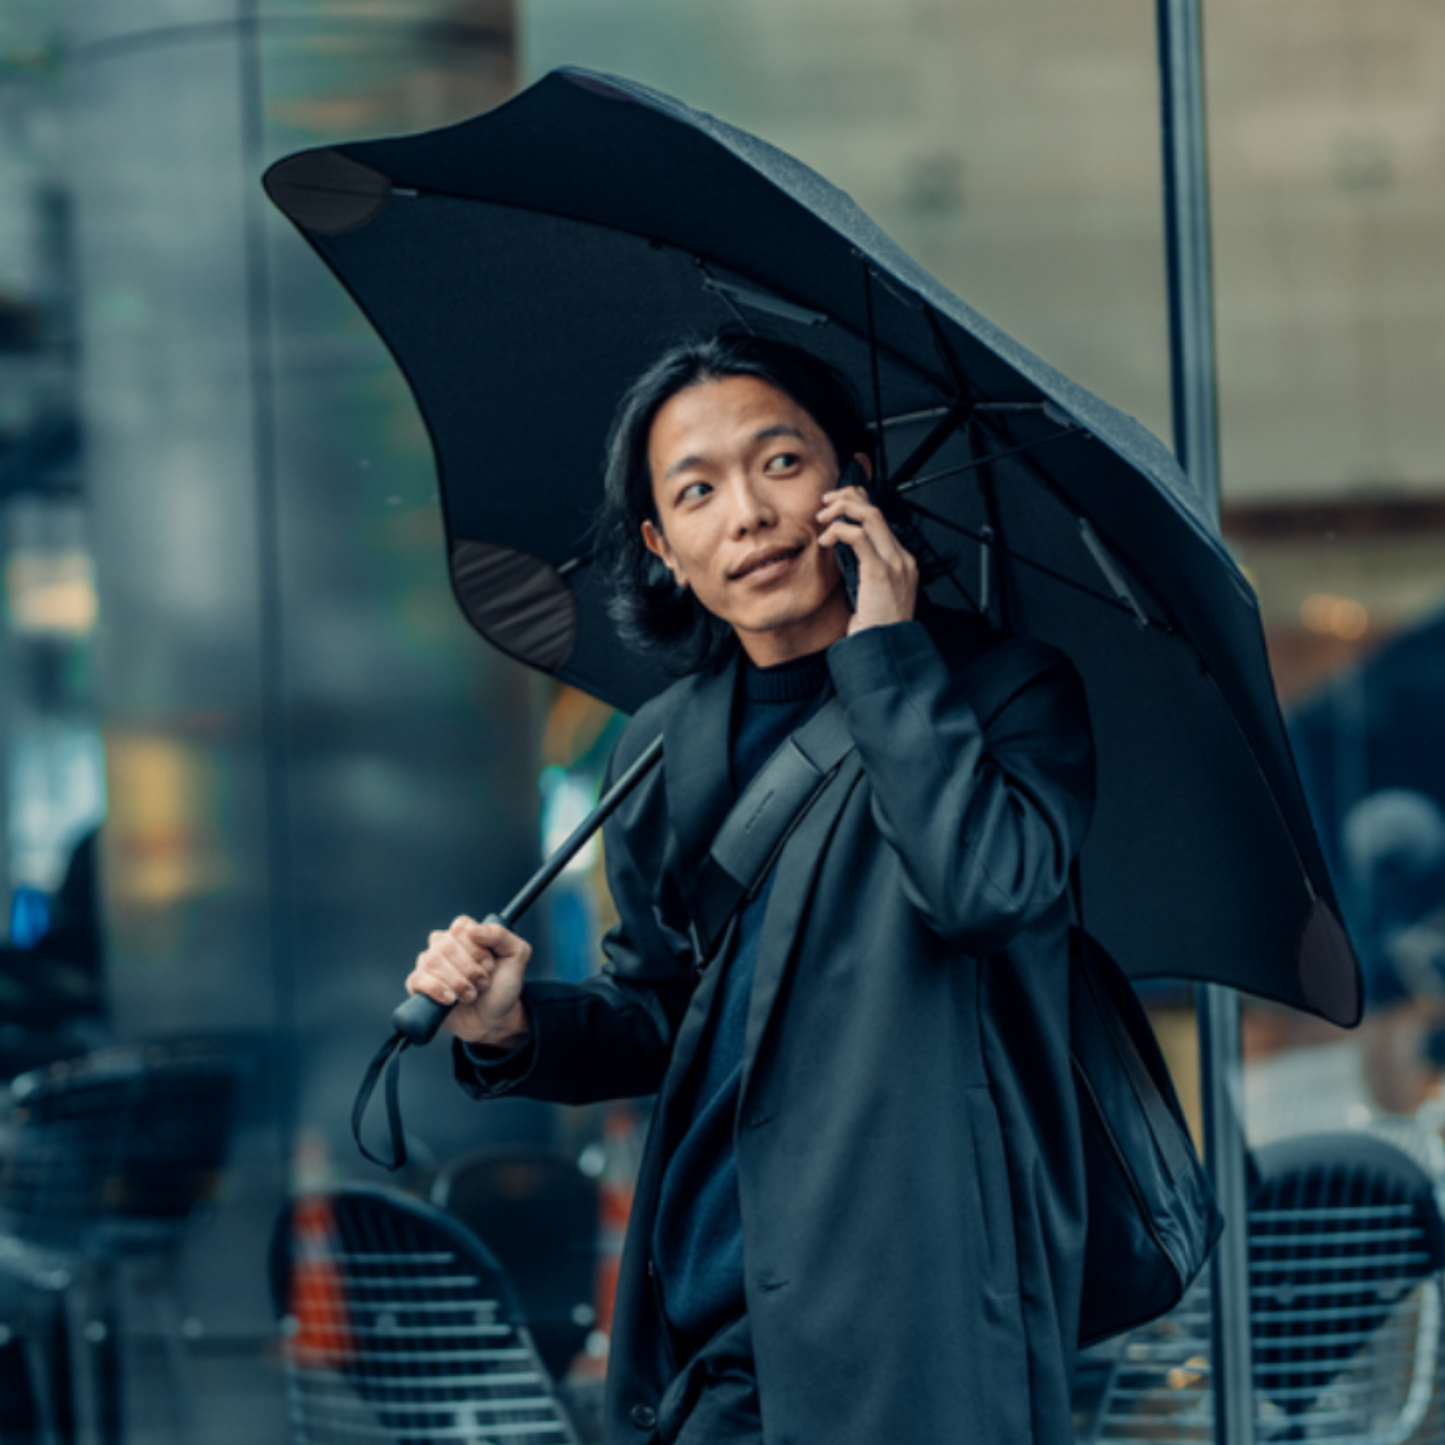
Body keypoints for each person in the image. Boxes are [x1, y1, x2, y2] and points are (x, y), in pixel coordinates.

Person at [406, 332, 1096, 1444]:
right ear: (661, 546)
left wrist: (887, 656)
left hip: (916, 1323)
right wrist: (515, 1026)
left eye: (780, 462)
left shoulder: (1004, 694)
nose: (748, 514)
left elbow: (982, 892)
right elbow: (666, 1013)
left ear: (850, 482)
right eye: (696, 490)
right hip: (717, 1323)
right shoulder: (658, 745)